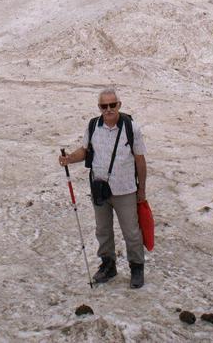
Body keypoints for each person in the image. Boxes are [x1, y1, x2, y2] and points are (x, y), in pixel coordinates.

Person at [58, 86, 147, 288]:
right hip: (99, 188)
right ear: (99, 107)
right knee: (103, 230)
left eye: (112, 105)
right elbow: (85, 150)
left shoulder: (132, 128)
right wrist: (70, 158)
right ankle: (108, 266)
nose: (108, 109)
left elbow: (140, 161)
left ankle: (137, 267)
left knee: (131, 231)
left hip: (125, 189)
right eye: (103, 106)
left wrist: (141, 190)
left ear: (119, 105)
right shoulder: (92, 126)